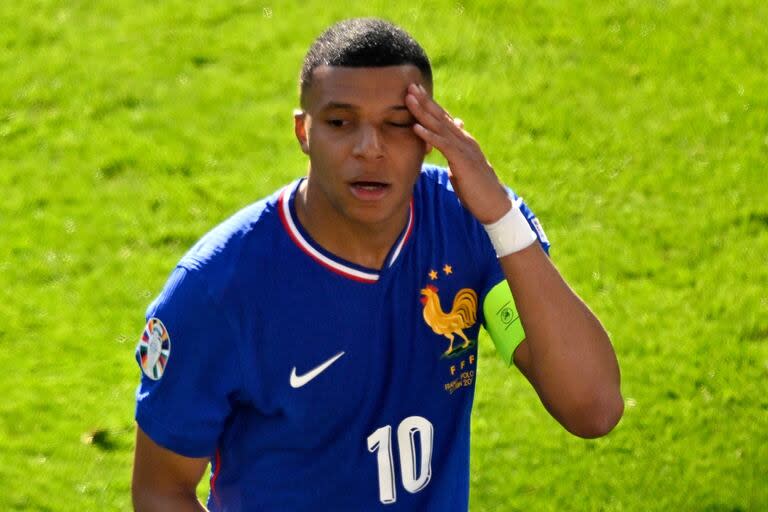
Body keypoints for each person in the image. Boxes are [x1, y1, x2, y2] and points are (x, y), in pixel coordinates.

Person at [131, 17, 623, 511]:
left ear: (431, 135)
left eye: (397, 124)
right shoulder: (217, 290)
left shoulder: (471, 227)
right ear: (304, 132)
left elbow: (593, 408)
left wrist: (500, 216)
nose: (370, 149)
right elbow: (161, 489)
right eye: (341, 123)